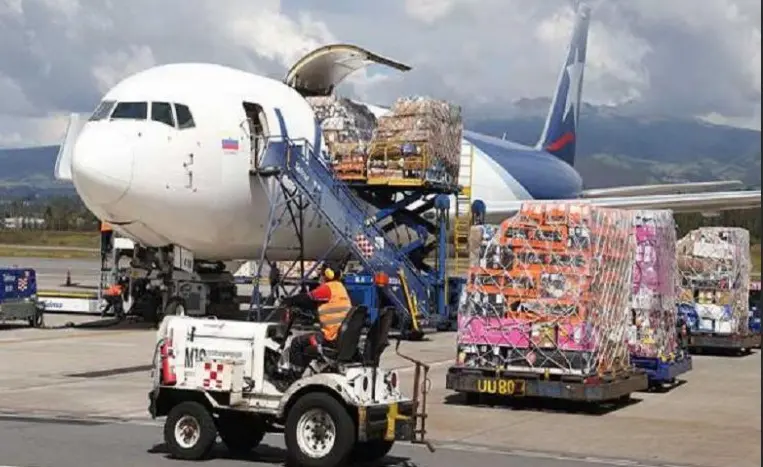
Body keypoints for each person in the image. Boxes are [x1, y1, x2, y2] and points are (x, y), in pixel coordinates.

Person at [281, 264, 351, 372]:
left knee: (296, 343)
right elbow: (321, 304)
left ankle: (294, 375)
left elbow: (308, 298)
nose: (320, 277)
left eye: (321, 274)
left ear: (327, 275)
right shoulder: (340, 288)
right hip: (339, 333)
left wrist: (289, 300)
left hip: (329, 336)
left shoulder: (328, 288)